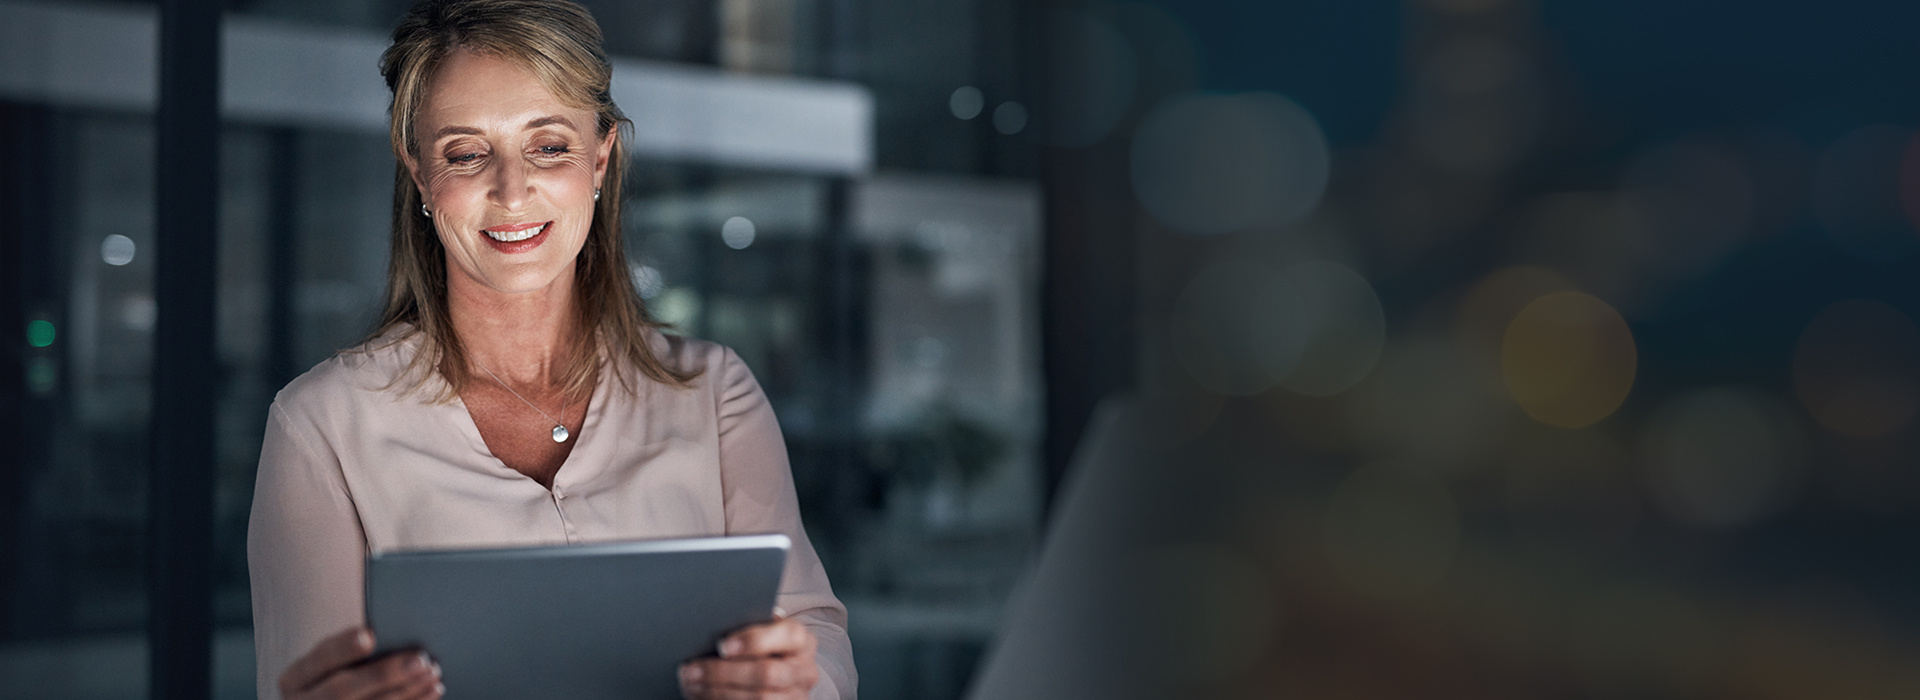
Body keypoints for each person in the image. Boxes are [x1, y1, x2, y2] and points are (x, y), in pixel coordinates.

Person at [246, 1, 855, 698]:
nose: (512, 191)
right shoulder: (322, 425)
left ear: (600, 158)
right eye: (467, 153)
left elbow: (817, 640)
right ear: (420, 177)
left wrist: (794, 680)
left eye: (550, 146)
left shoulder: (714, 393)